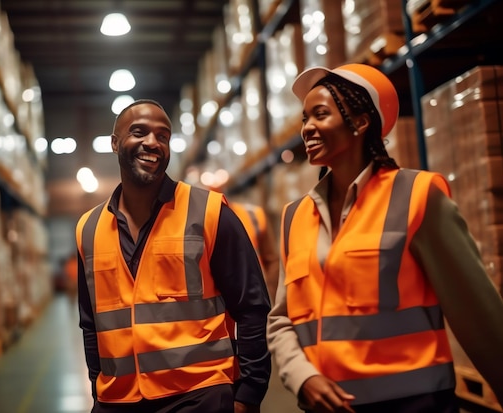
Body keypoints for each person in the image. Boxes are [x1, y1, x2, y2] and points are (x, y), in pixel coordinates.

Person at [267, 63, 503, 413]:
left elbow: (477, 315)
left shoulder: (417, 195)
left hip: (415, 404)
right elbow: (281, 319)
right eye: (304, 119)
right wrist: (302, 377)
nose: (307, 128)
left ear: (361, 122)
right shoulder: (295, 216)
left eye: (320, 115)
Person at [74, 99, 271, 413]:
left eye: (162, 136)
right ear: (115, 143)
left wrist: (248, 394)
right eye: (139, 132)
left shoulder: (209, 212)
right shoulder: (89, 228)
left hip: (198, 395)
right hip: (118, 399)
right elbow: (90, 323)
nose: (152, 142)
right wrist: (99, 386)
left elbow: (252, 307)